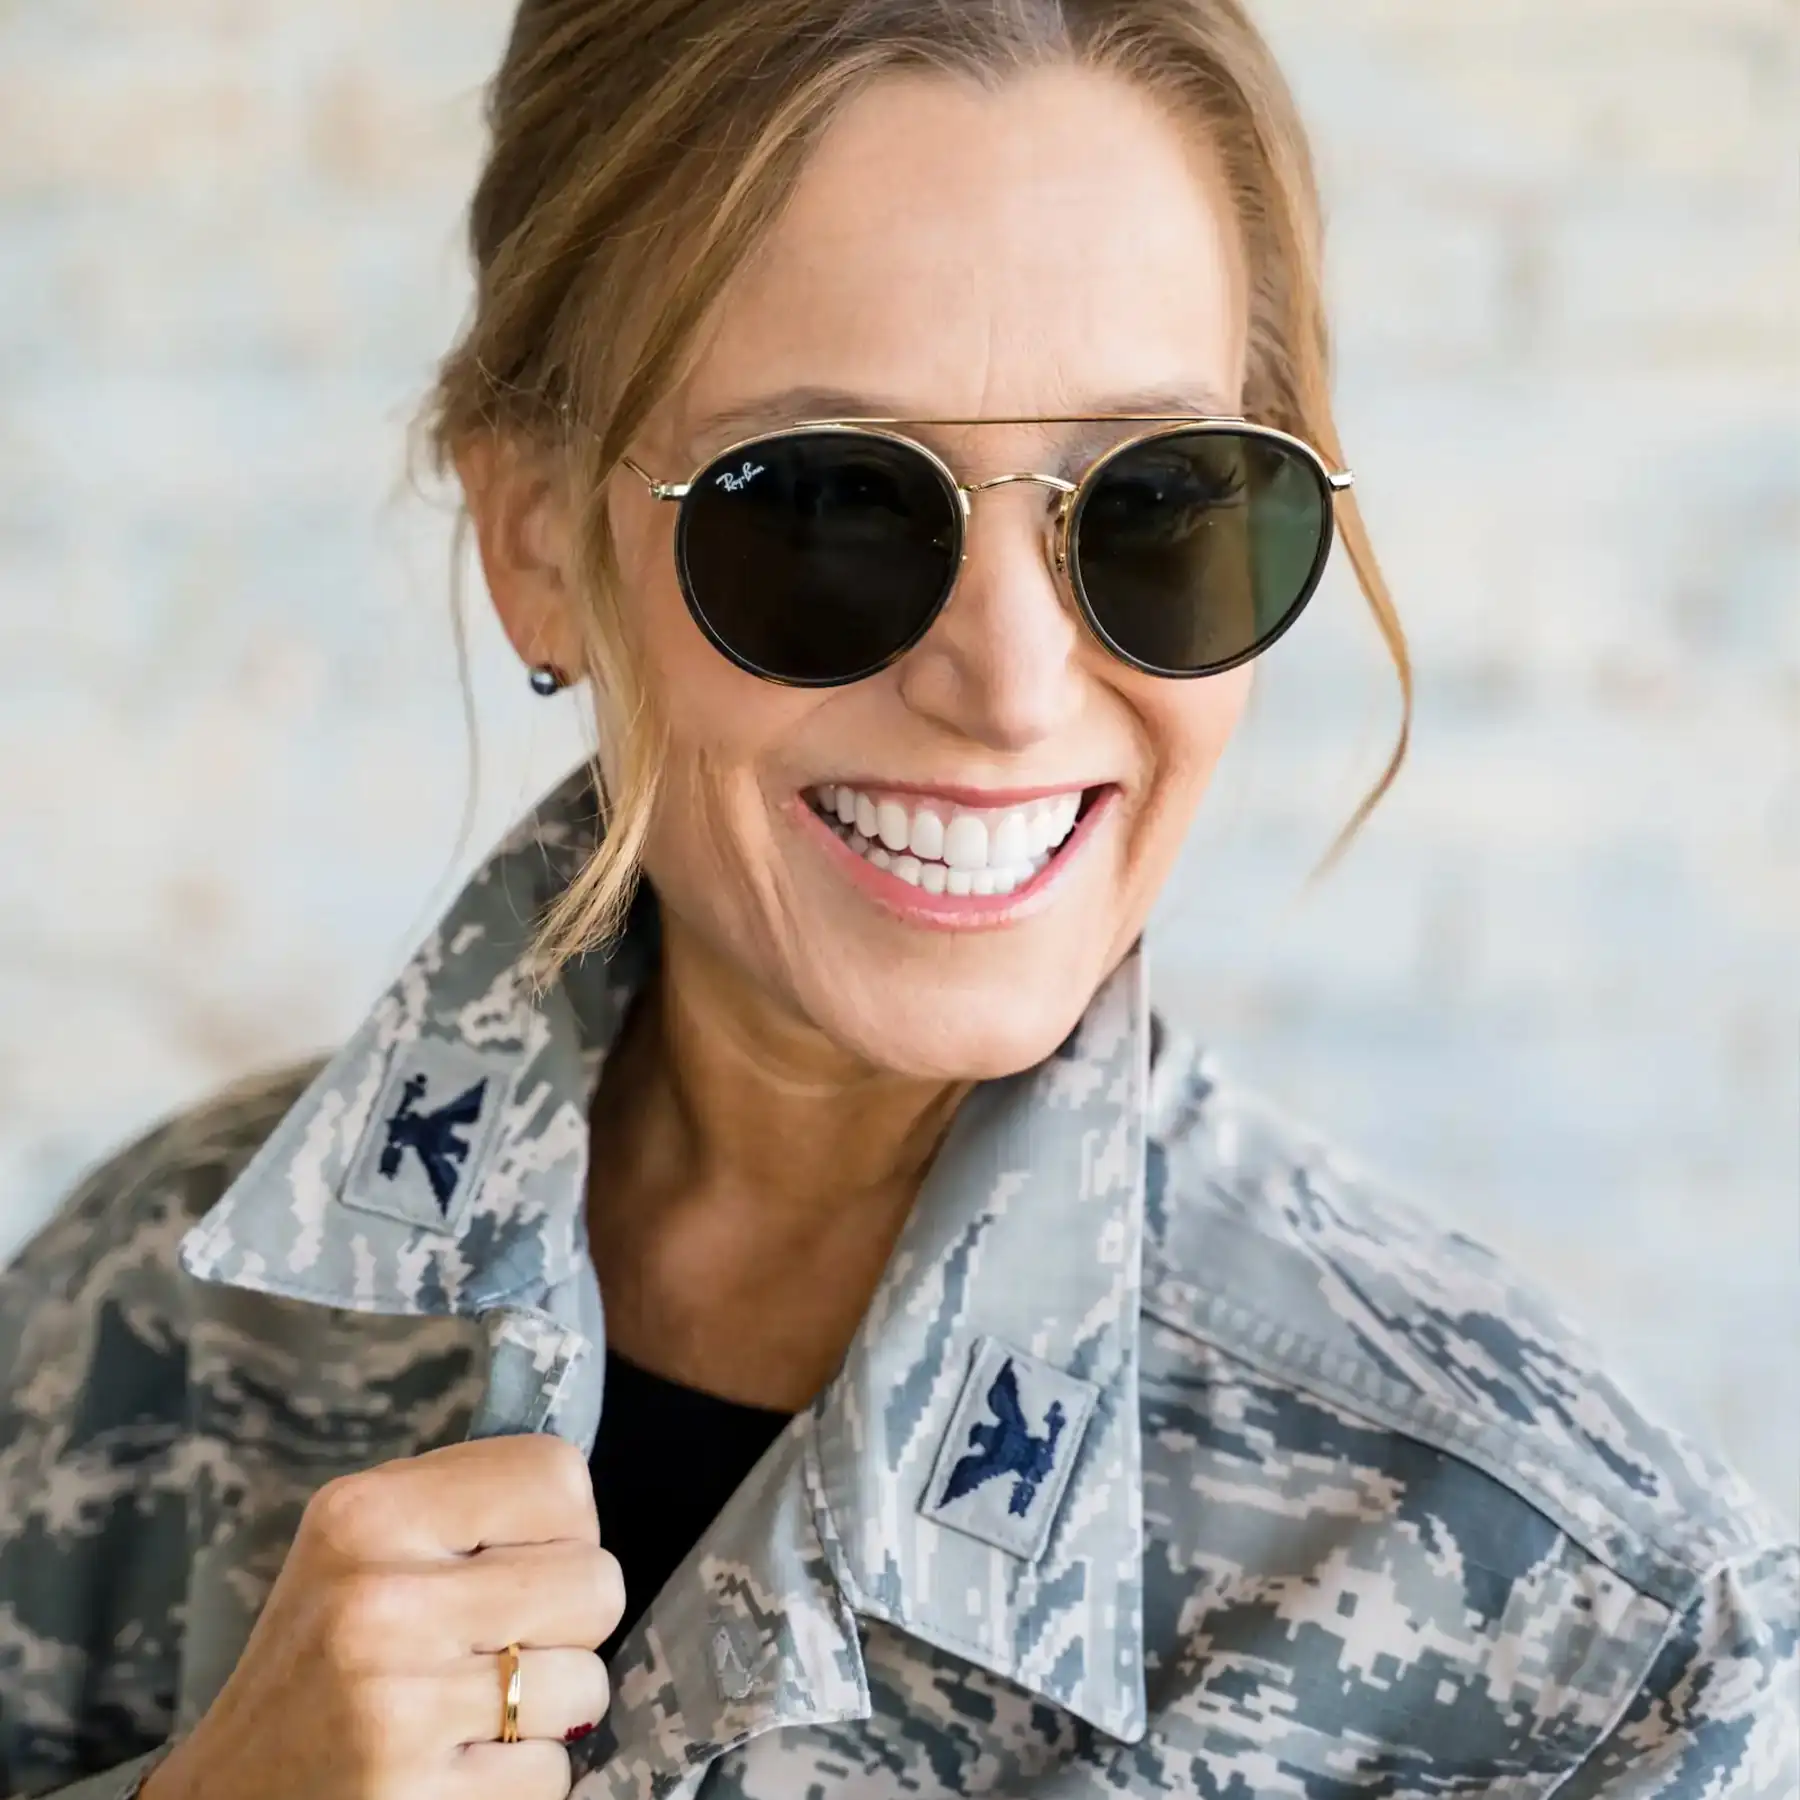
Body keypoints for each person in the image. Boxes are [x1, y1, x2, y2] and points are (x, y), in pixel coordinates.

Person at [1, 1, 1794, 1796]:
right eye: (829, 508)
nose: (1013, 685)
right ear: (537, 540)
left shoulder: (1602, 1643)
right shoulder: (147, 1312)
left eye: (1155, 500)